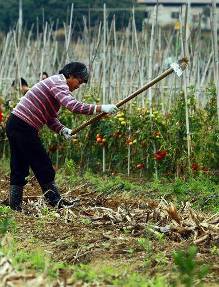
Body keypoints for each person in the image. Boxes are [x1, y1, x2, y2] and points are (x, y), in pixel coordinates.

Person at [6, 61, 118, 211]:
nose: (79, 86)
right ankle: (55, 202)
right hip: (23, 126)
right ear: (71, 75)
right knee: (43, 164)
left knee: (19, 165)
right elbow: (73, 106)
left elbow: (50, 118)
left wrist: (62, 129)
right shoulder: (59, 82)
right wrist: (101, 108)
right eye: (79, 81)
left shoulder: (54, 83)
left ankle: (14, 205)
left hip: (17, 123)